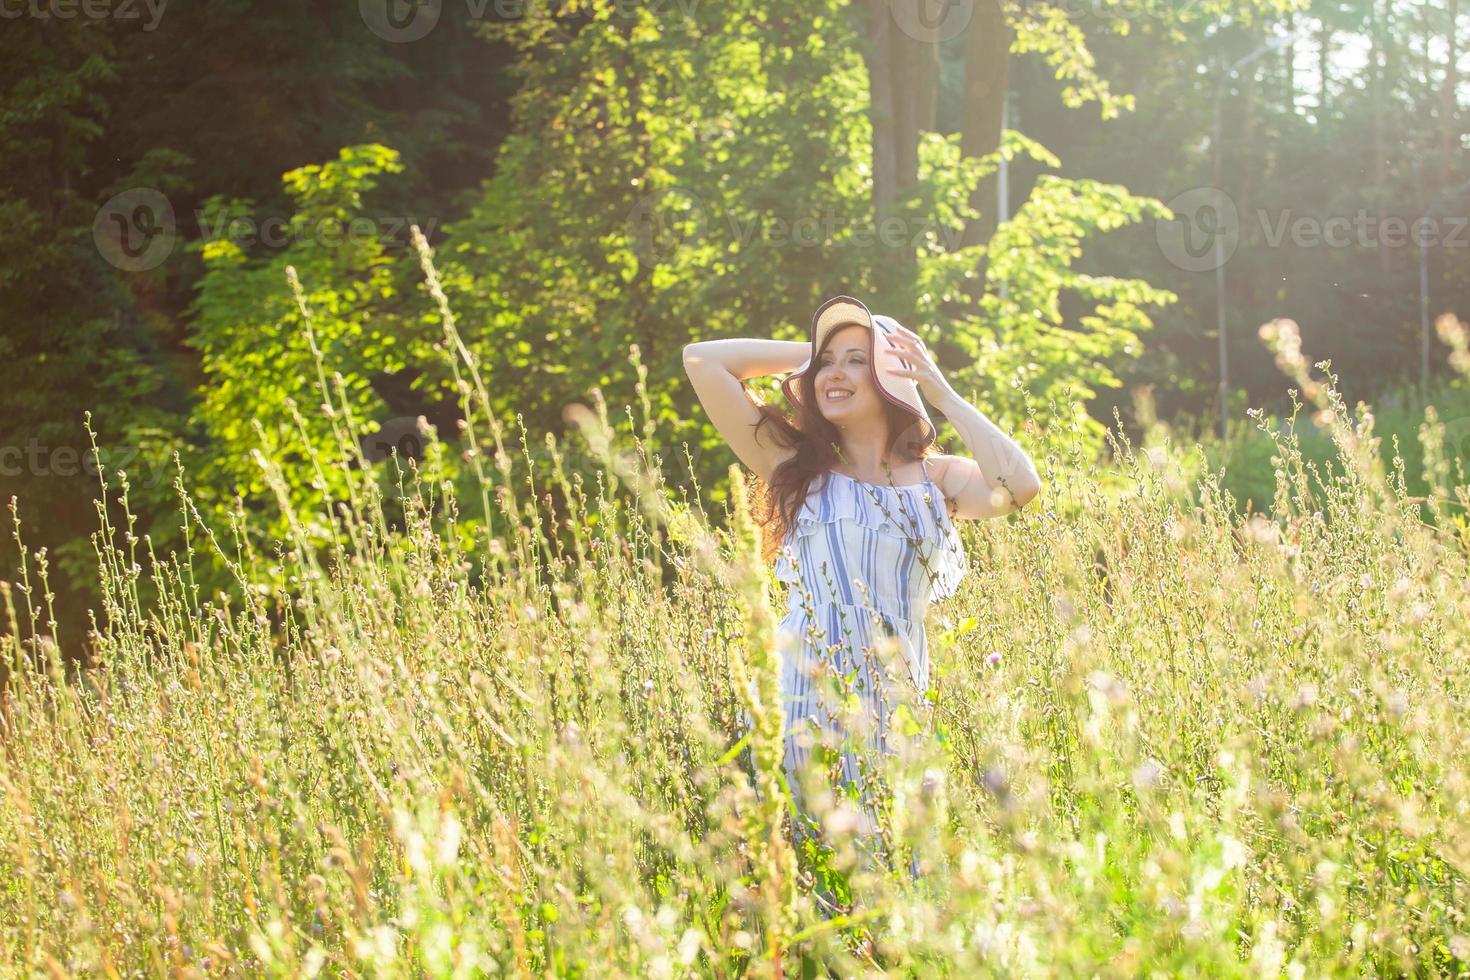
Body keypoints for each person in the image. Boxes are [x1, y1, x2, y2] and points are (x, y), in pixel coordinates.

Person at [682, 295, 1041, 907]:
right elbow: (703, 360)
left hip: (897, 710)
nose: (835, 374)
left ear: (893, 380)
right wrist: (815, 357)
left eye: (857, 362)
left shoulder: (939, 479)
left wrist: (940, 391)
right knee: (810, 893)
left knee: (899, 890)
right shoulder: (794, 463)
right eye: (830, 364)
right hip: (801, 700)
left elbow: (1021, 486)